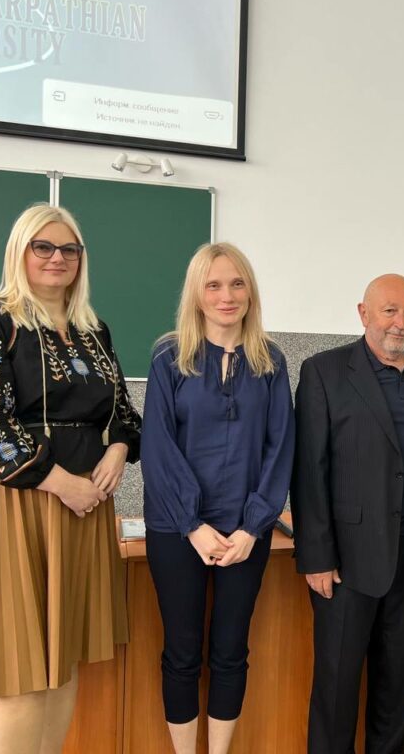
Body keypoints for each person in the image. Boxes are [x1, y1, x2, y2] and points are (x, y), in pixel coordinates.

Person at [0, 203, 141, 754]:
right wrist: (58, 481)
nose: (57, 258)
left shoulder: (94, 331)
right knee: (22, 674)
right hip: (17, 507)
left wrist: (119, 448)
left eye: (69, 249)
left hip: (85, 508)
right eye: (42, 247)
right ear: (19, 252)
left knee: (62, 665)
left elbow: (122, 411)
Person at [292, 273, 404, 754]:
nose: (400, 322)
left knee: (400, 682)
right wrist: (316, 554)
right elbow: (309, 468)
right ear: (363, 313)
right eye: (390, 310)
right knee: (337, 684)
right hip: (347, 558)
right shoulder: (324, 371)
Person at [140, 243, 294, 754]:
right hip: (177, 530)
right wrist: (192, 524)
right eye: (214, 285)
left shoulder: (271, 361)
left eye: (236, 283)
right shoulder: (169, 357)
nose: (226, 295)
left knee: (231, 651)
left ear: (250, 292)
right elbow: (157, 446)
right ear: (197, 294)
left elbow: (279, 447)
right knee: (182, 653)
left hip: (245, 533)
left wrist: (253, 525)